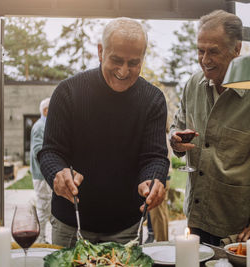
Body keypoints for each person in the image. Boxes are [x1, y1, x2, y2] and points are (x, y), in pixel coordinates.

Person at [38, 18, 169, 247]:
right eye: (116, 60)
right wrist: (57, 173)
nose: (123, 71)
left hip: (126, 227)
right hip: (71, 224)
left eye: (133, 63)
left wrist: (153, 178)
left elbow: (154, 156)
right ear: (100, 52)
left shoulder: (153, 99)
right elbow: (50, 152)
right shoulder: (68, 92)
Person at [170, 10, 250, 246]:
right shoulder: (192, 85)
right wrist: (175, 141)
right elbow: (178, 127)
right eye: (200, 50)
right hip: (195, 219)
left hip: (238, 229)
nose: (205, 59)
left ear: (237, 49)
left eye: (213, 51)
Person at [146, 122, 172, 243]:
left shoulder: (161, 139)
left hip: (161, 180)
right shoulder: (166, 137)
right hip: (166, 178)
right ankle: (162, 240)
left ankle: (162, 243)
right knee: (161, 213)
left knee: (158, 215)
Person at [30, 97, 52, 243]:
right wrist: (50, 168)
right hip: (42, 175)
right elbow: (38, 150)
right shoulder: (40, 127)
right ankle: (40, 242)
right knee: (43, 209)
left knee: (47, 208)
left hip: (44, 175)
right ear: (45, 110)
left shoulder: (45, 125)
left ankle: (43, 240)